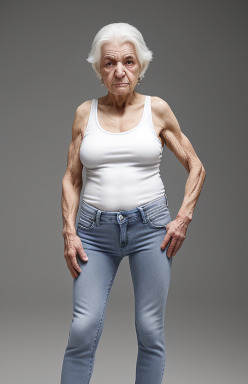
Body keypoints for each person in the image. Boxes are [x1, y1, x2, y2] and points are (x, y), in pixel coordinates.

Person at [60, 22, 206, 384]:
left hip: (150, 230)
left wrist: (183, 216)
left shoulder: (157, 110)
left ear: (141, 66)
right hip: (93, 232)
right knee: (83, 327)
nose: (119, 71)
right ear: (99, 69)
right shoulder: (84, 113)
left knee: (150, 329)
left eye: (128, 61)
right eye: (109, 63)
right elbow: (72, 177)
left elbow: (195, 165)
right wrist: (68, 231)